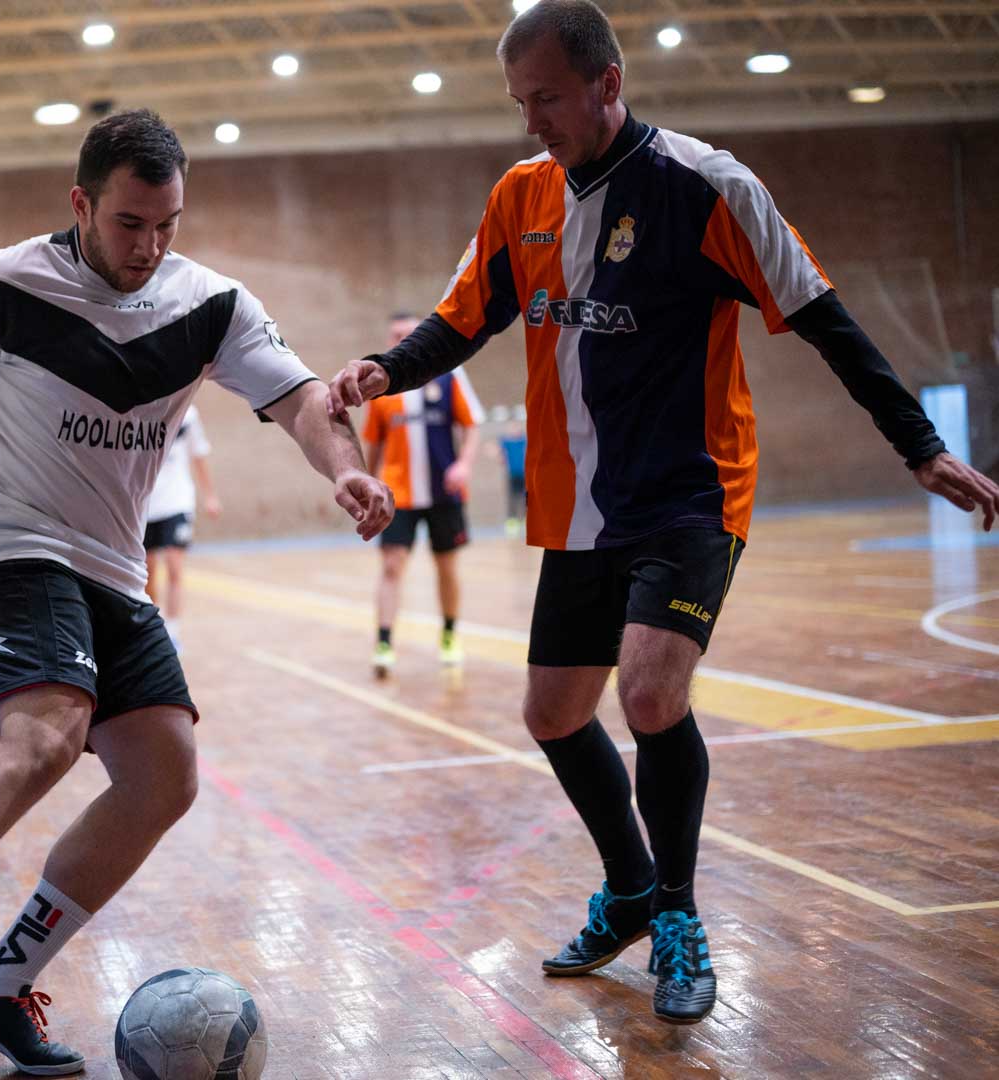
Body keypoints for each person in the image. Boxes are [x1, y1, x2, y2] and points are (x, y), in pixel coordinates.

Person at [327, 0, 999, 1026]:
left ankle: (678, 913)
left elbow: (826, 320)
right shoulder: (521, 195)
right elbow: (463, 317)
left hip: (692, 492)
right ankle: (631, 888)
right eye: (519, 103)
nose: (531, 121)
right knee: (553, 715)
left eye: (547, 98)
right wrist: (386, 368)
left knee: (647, 695)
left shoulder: (707, 186)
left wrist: (921, 446)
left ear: (608, 81)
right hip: (576, 505)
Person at [0, 109, 393, 1080]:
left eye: (167, 225)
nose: (149, 246)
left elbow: (301, 399)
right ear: (81, 204)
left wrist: (343, 468)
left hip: (113, 568)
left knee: (163, 777)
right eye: (129, 224)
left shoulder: (213, 304)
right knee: (45, 737)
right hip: (12, 550)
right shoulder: (1, 281)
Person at [362, 312, 481, 676]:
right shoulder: (380, 390)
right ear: (388, 340)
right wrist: (367, 485)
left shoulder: (448, 377)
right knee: (391, 565)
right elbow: (373, 443)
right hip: (398, 493)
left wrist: (464, 465)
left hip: (445, 491)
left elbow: (472, 425)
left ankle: (449, 635)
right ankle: (384, 642)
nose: (402, 340)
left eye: (409, 334)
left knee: (446, 565)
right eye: (395, 335)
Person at [143, 402, 221, 650]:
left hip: (177, 502)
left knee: (174, 566)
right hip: (146, 506)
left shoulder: (189, 415)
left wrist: (210, 495)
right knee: (148, 573)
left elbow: (199, 455)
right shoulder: (142, 410)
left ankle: (173, 632)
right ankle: (154, 630)